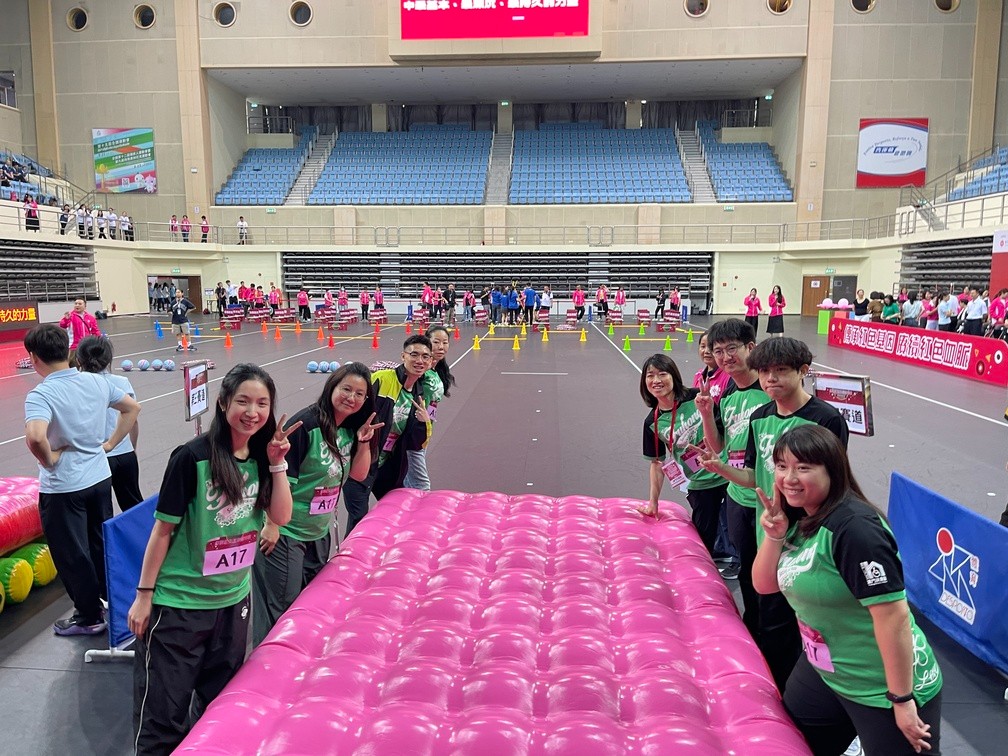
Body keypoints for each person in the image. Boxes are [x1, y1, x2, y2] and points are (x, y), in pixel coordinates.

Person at [128, 364, 297, 754]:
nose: (252, 412)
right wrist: (144, 595)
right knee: (163, 716)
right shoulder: (192, 458)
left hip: (233, 603)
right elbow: (162, 531)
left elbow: (282, 516)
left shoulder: (264, 455)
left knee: (218, 707)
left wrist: (277, 462)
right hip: (180, 606)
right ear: (223, 404)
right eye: (243, 401)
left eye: (262, 404)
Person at [752, 425, 943, 756]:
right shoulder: (798, 517)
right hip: (827, 671)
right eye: (782, 466)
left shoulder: (855, 530)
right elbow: (764, 585)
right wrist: (774, 534)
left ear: (832, 470)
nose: (789, 478)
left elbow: (894, 617)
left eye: (803, 467)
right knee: (792, 744)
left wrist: (901, 698)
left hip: (883, 685)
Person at [696, 336, 849, 693]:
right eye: (765, 372)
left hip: (807, 532)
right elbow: (754, 476)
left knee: (803, 612)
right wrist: (721, 469)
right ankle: (773, 684)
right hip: (770, 530)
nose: (771, 379)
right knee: (768, 606)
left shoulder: (825, 418)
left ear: (803, 371)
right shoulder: (760, 417)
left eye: (781, 371)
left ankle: (801, 690)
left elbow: (835, 480)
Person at [252, 363, 383, 645]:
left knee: (310, 604)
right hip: (286, 534)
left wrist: (363, 443)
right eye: (346, 389)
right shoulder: (306, 426)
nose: (352, 397)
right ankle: (270, 666)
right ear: (332, 387)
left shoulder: (350, 430)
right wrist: (271, 524)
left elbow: (358, 475)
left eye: (360, 394)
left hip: (318, 532)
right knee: (282, 612)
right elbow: (275, 475)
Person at [23, 324, 140, 636]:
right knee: (99, 543)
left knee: (72, 553)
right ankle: (109, 600)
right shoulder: (95, 381)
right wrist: (110, 444)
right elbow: (132, 408)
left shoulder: (41, 394)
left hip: (64, 486)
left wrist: (49, 459)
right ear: (67, 350)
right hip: (99, 477)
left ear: (34, 358)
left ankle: (88, 616)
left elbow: (35, 436)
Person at [695, 318, 768, 631]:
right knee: (747, 569)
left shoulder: (769, 389)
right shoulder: (728, 395)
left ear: (750, 347)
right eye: (718, 351)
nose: (725, 357)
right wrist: (705, 413)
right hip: (738, 497)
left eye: (732, 349)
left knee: (773, 576)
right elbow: (720, 445)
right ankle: (754, 627)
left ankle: (775, 637)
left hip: (768, 500)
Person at [341, 335, 437, 535]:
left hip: (387, 466)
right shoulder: (383, 379)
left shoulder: (419, 393)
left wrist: (422, 423)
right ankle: (351, 554)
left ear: (430, 362)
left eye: (425, 357)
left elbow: (415, 444)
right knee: (359, 518)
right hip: (359, 461)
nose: (419, 360)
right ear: (403, 356)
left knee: (397, 511)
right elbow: (352, 406)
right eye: (414, 354)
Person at [638, 353, 727, 557]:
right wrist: (653, 502)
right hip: (700, 485)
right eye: (650, 376)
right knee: (704, 543)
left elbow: (724, 430)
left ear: (673, 376)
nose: (656, 380)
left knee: (739, 533)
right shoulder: (652, 422)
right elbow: (657, 463)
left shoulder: (696, 397)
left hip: (728, 474)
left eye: (662, 374)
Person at [75, 336, 143, 511]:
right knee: (133, 505)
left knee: (100, 510)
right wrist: (132, 448)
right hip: (123, 453)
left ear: (79, 360)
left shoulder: (76, 386)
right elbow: (133, 420)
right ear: (108, 360)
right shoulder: (121, 382)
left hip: (95, 456)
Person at [403, 326, 455, 491]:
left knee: (409, 478)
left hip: (424, 427)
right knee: (421, 483)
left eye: (445, 342)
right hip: (411, 428)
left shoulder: (436, 369)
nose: (441, 347)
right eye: (436, 342)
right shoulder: (420, 368)